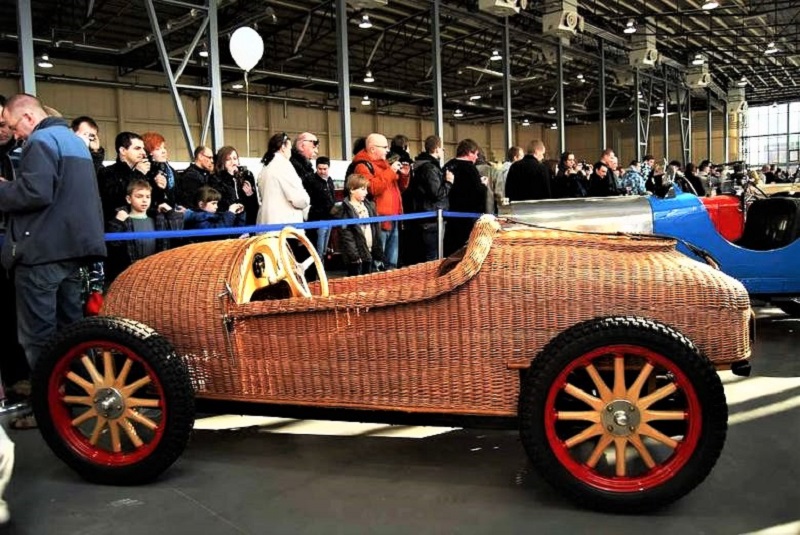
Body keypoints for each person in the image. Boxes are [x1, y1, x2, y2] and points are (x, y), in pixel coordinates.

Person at [0, 94, 106, 429]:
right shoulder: (74, 143)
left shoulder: (40, 142)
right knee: (70, 331)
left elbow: (36, 193)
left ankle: (47, 410)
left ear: (29, 118)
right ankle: (82, 398)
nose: (15, 135)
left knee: (38, 338)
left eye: (14, 126)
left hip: (42, 253)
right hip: (73, 252)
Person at [105, 178, 183, 284]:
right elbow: (113, 244)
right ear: (129, 199)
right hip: (128, 275)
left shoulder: (158, 219)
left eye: (148, 197)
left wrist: (171, 213)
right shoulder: (122, 220)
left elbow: (178, 234)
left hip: (154, 273)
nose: (144, 200)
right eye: (139, 196)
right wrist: (117, 222)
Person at [352, 133, 407, 270]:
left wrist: (404, 176)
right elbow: (373, 189)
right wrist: (391, 171)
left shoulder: (384, 166)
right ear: (372, 149)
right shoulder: (362, 166)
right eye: (384, 147)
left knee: (392, 262)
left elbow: (400, 188)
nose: (388, 150)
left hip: (393, 218)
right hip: (378, 220)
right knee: (378, 262)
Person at [404, 134, 454, 263]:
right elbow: (436, 193)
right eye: (442, 148)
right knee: (433, 257)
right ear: (436, 149)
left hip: (426, 217)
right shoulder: (430, 168)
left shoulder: (421, 166)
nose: (443, 151)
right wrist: (448, 182)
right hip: (432, 218)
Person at [443, 138, 488, 256]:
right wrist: (483, 185)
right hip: (467, 219)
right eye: (476, 154)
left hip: (449, 218)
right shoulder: (470, 169)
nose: (477, 158)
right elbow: (478, 194)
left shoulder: (447, 165)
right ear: (469, 152)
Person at [333, 173, 384, 276]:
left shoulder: (370, 206)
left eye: (366, 189)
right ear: (352, 189)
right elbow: (346, 235)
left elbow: (375, 229)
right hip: (356, 257)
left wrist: (377, 250)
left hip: (369, 251)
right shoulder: (345, 209)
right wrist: (354, 256)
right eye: (362, 189)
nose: (366, 192)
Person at [96, 131, 150, 222]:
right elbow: (113, 199)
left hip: (141, 225)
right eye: (137, 148)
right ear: (123, 150)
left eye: (143, 149)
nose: (143, 152)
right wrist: (137, 174)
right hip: (117, 226)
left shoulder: (144, 173)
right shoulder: (107, 172)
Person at [210, 146, 259, 226]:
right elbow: (219, 203)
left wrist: (250, 195)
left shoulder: (246, 177)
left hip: (245, 223)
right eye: (228, 159)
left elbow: (254, 206)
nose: (233, 162)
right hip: (227, 222)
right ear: (222, 162)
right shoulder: (215, 179)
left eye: (235, 158)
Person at [303, 155, 336, 258]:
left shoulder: (329, 180)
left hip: (328, 218)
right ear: (316, 168)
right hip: (317, 219)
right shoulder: (310, 180)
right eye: (320, 169)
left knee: (324, 248)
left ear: (329, 168)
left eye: (325, 169)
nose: (322, 171)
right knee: (319, 249)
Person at [142, 131, 179, 209]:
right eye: (158, 149)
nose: (164, 151)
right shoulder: (144, 171)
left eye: (164, 147)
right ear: (148, 152)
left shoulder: (170, 170)